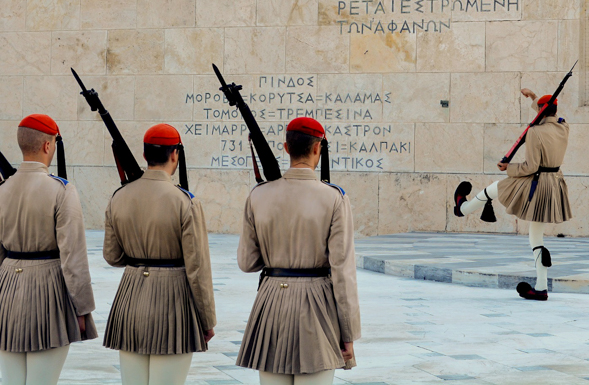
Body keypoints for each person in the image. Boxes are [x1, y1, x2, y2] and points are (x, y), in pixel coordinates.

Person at [237, 117, 361, 385]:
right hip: (316, 305)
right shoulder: (334, 197)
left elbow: (247, 262)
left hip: (270, 302)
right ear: (318, 148)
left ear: (285, 147)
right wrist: (348, 333)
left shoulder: (258, 195)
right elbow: (342, 272)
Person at [103, 124, 216, 383]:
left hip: (130, 299)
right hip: (172, 303)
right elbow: (197, 268)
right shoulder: (185, 201)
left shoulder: (119, 196)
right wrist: (207, 318)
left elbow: (112, 256)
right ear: (175, 154)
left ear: (145, 156)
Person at [0, 114, 97, 385]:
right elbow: (73, 257)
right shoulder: (61, 190)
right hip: (47, 289)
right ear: (47, 146)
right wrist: (82, 310)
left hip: (6, 291)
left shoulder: (2, 189)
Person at [454, 89, 572, 301]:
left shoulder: (535, 132)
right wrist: (534, 97)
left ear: (540, 112)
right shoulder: (564, 126)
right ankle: (541, 287)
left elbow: (531, 166)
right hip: (554, 183)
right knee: (536, 236)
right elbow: (545, 114)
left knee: (498, 186)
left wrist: (508, 167)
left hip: (537, 182)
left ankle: (462, 208)